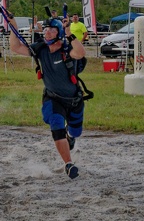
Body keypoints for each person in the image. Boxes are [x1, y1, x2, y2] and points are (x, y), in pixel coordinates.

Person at [8, 17, 88, 179]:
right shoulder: (40, 49)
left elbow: (80, 53)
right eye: (46, 29)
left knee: (76, 131)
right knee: (56, 125)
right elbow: (15, 47)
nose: (47, 33)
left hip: (74, 100)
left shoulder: (66, 51)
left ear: (59, 33)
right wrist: (13, 26)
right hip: (53, 98)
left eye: (52, 30)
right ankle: (69, 164)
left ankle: (70, 137)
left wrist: (69, 34)